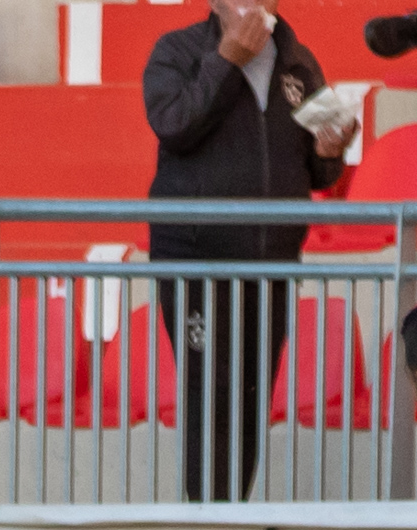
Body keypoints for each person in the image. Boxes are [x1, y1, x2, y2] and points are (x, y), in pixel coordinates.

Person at [144, 0, 356, 501]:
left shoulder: (298, 61)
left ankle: (233, 515)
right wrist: (227, 60)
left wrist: (331, 151)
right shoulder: (177, 51)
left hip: (273, 261)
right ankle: (209, 521)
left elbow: (317, 171)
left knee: (252, 392)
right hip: (197, 261)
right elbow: (173, 124)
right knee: (209, 392)